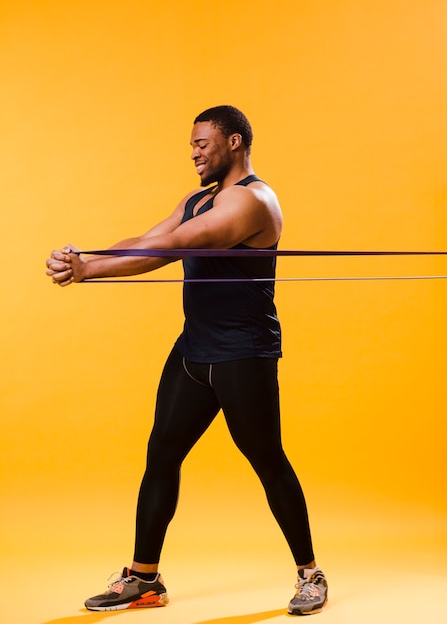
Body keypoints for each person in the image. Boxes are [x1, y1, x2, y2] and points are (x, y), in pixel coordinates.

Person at [46, 105, 328, 615]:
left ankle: (311, 574)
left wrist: (92, 270)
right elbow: (147, 239)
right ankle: (143, 579)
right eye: (192, 144)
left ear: (236, 142)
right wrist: (88, 258)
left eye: (203, 143)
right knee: (162, 455)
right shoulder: (201, 199)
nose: (194, 152)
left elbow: (172, 247)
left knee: (267, 461)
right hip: (194, 349)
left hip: (243, 354)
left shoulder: (253, 202)